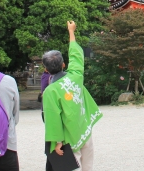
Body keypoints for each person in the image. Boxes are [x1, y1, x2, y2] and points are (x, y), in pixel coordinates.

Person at [42, 21, 102, 171]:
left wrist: (57, 141)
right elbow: (76, 56)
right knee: (88, 166)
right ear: (63, 64)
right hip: (84, 129)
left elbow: (53, 117)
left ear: (46, 69)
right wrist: (71, 31)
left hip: (70, 136)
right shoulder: (75, 76)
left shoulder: (51, 91)